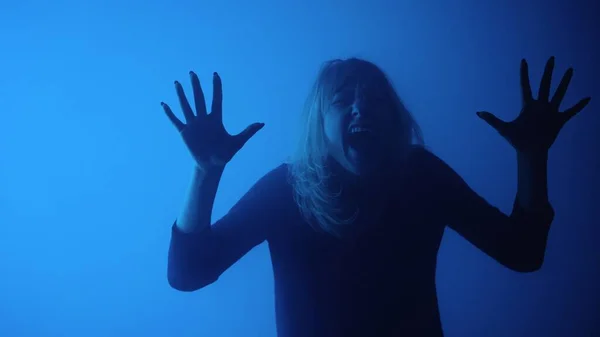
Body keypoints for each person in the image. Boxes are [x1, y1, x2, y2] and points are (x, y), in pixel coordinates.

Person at [162, 57, 591, 337]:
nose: (359, 109)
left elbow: (522, 252)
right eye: (342, 99)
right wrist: (206, 172)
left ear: (394, 117)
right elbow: (189, 273)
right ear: (319, 121)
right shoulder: (287, 189)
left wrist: (533, 158)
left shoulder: (421, 176)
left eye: (374, 100)